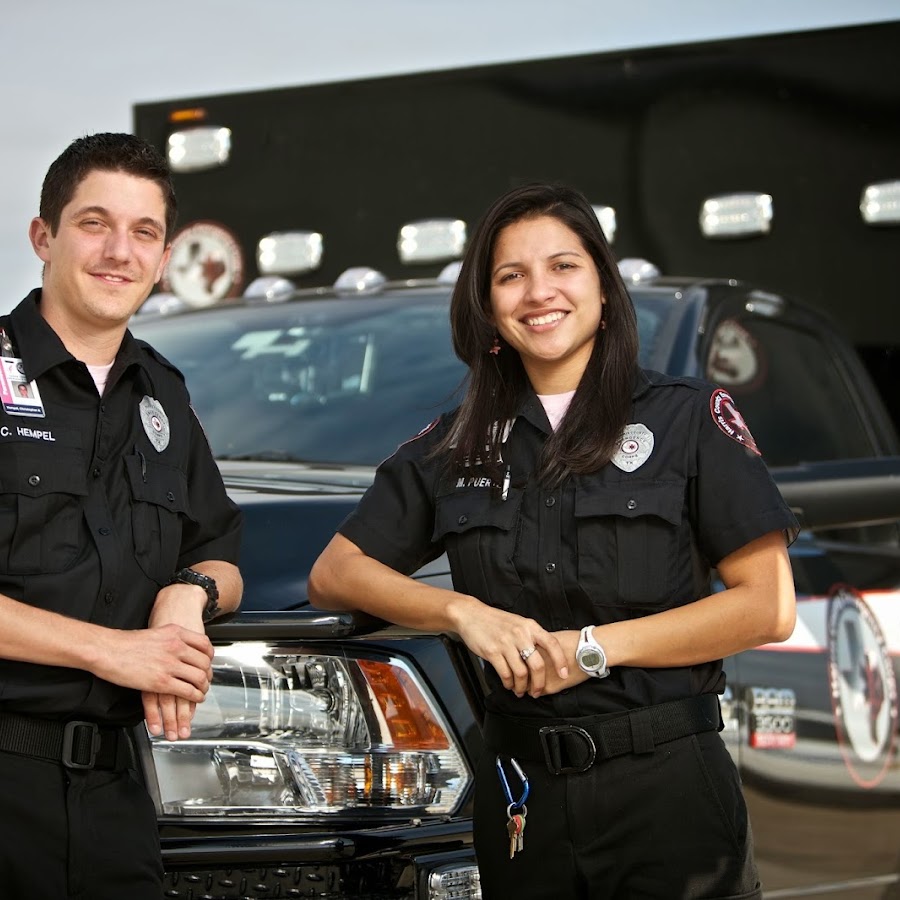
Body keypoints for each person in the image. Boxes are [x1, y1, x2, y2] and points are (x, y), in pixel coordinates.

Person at [309, 183, 799, 899]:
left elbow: (767, 607)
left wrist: (591, 649)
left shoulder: (689, 419)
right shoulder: (453, 447)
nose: (539, 292)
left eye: (563, 266)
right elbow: (336, 572)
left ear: (603, 289)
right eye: (511, 275)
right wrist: (460, 614)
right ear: (488, 308)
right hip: (522, 798)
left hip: (668, 788)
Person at [0, 133, 243, 899]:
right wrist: (110, 652)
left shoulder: (163, 394)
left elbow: (224, 552)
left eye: (143, 232)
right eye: (94, 223)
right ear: (44, 236)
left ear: (164, 258)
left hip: (118, 794)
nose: (119, 251)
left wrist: (190, 594)